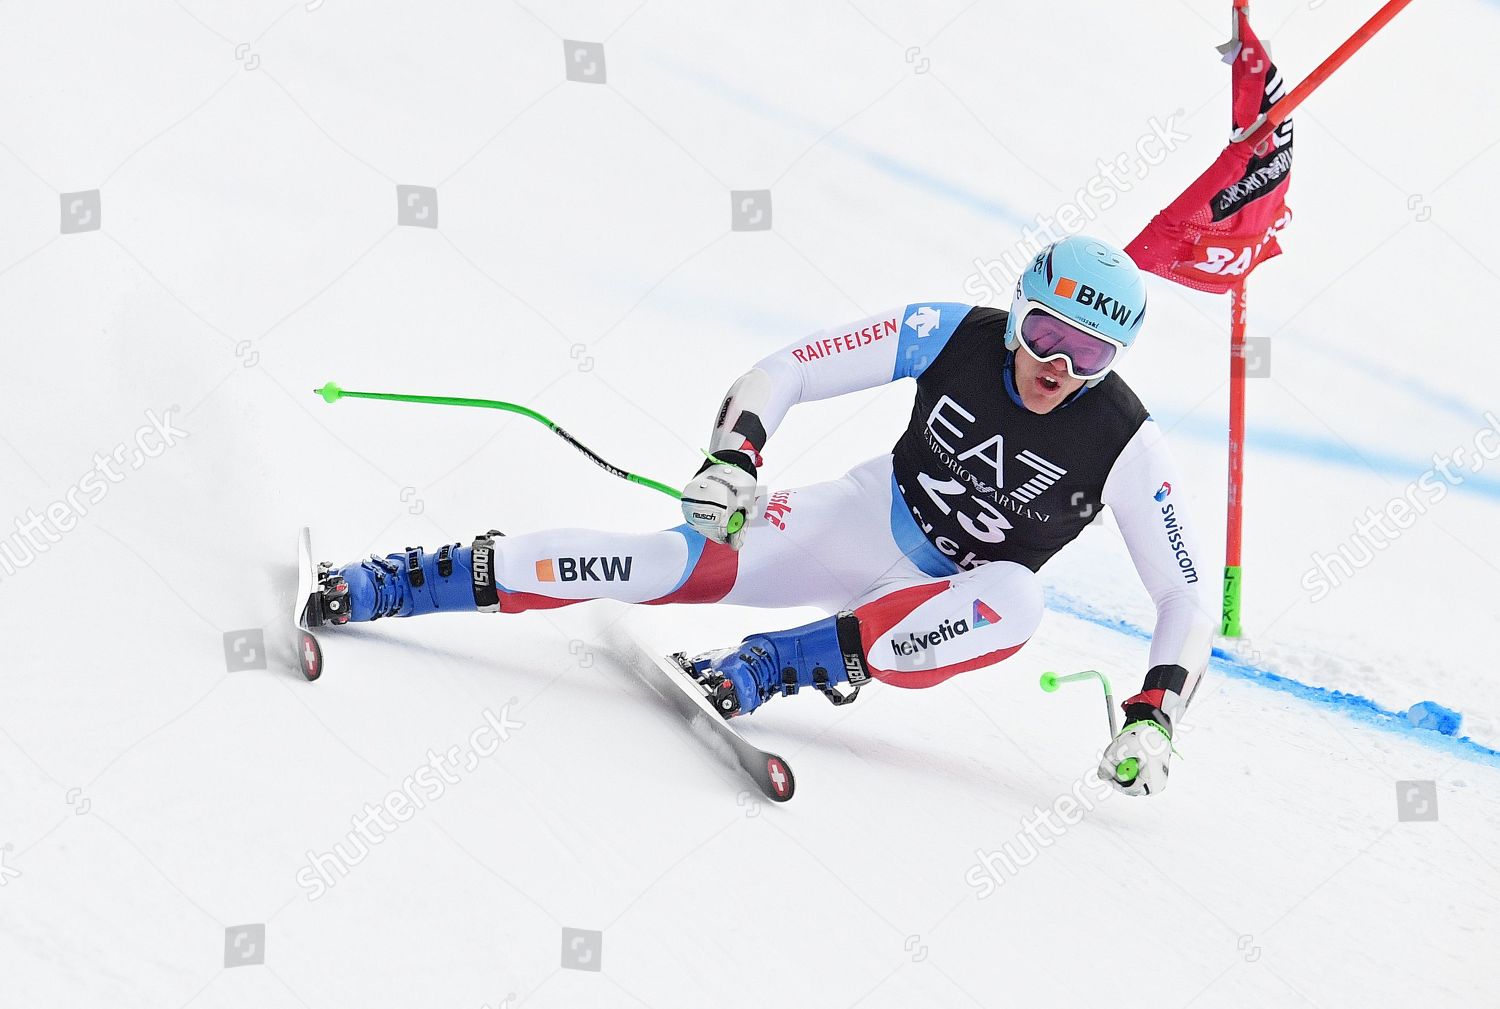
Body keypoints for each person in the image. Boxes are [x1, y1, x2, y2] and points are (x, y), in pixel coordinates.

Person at [310, 236, 1214, 796]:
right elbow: (785, 370)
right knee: (654, 565)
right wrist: (731, 458)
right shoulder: (950, 329)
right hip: (865, 520)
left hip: (949, 603)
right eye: (1048, 331)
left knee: (1020, 598)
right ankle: (394, 582)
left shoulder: (1126, 441)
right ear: (1018, 311)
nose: (1059, 364)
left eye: (1089, 351)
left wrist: (1153, 714)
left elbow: (1182, 595)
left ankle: (773, 664)